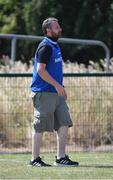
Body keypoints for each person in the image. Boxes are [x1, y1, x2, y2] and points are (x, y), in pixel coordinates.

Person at [29, 17, 79, 167]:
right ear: (48, 30)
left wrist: (59, 88)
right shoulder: (46, 47)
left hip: (56, 93)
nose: (60, 29)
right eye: (56, 27)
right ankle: (34, 159)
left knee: (64, 123)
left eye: (59, 26)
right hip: (44, 92)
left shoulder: (55, 46)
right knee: (40, 126)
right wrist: (58, 86)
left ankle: (60, 157)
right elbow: (41, 71)